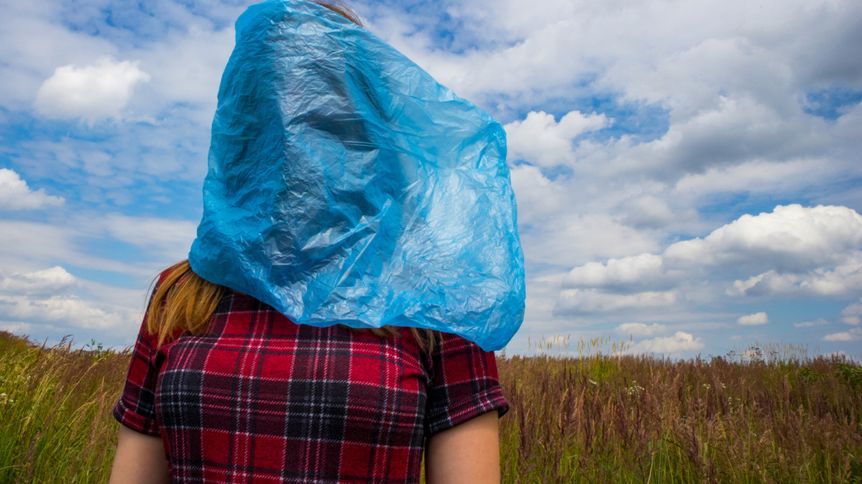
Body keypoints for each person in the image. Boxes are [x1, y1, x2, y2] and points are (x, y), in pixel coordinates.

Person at [108, 2, 512, 482]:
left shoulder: (431, 297)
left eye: (320, 110)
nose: (295, 133)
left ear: (362, 127)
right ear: (244, 124)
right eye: (274, 105)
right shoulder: (181, 291)